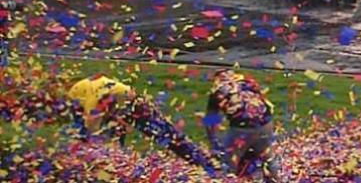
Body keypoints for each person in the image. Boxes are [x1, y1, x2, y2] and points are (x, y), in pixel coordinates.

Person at [67, 75, 218, 174]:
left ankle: (203, 164)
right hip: (92, 103)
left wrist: (125, 119)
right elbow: (93, 128)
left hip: (131, 102)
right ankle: (106, 164)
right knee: (97, 142)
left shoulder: (122, 95)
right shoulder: (89, 104)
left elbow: (129, 103)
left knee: (167, 134)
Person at [205, 69, 277, 180]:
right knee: (267, 156)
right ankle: (275, 178)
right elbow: (264, 103)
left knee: (229, 161)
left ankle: (229, 178)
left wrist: (213, 143)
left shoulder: (217, 92)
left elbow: (211, 119)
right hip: (266, 124)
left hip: (242, 130)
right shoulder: (249, 83)